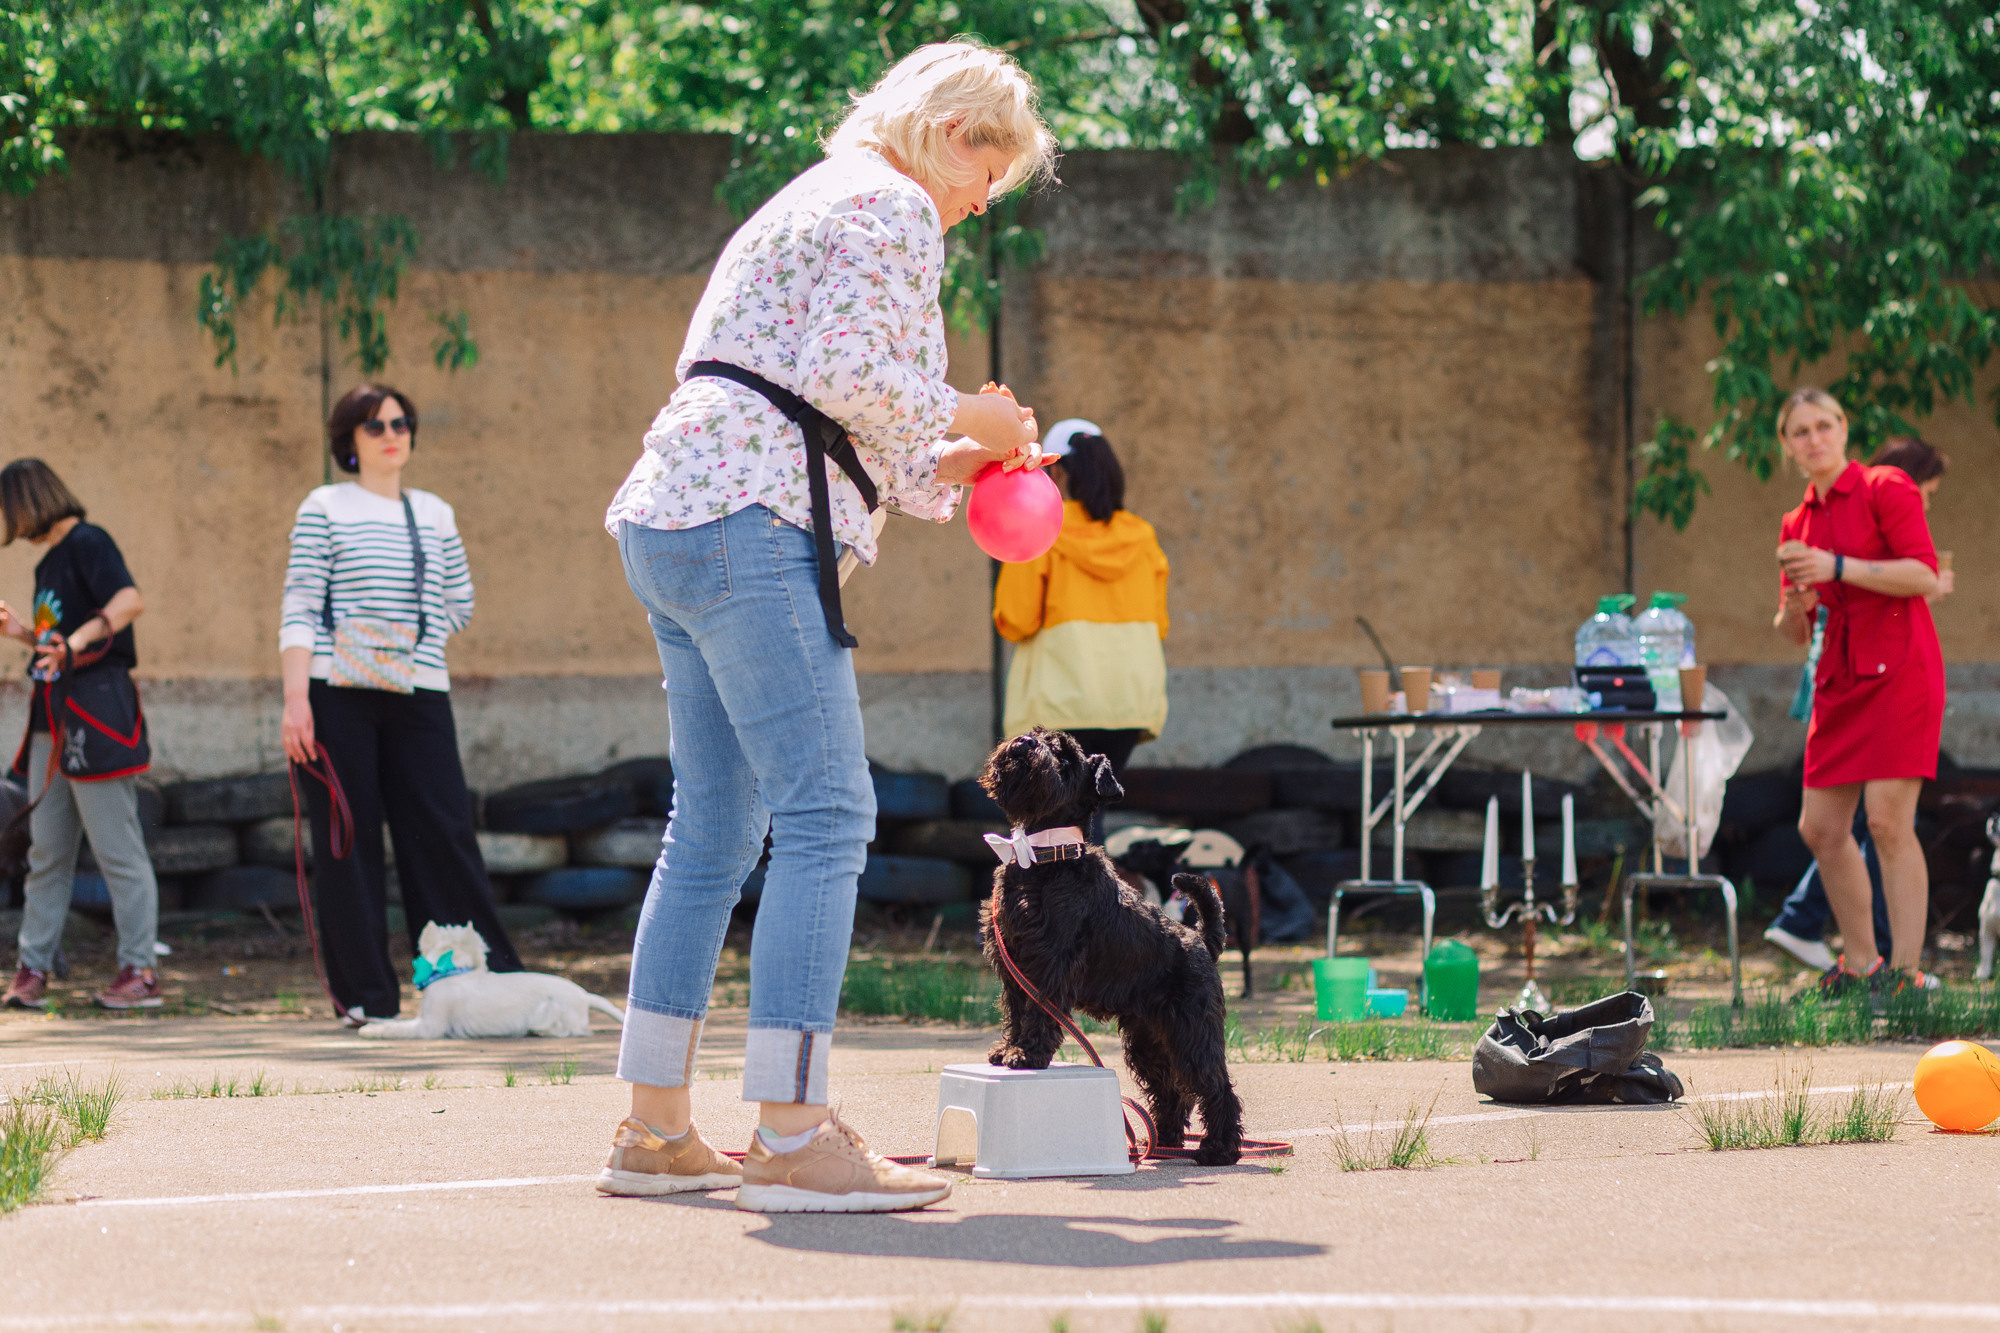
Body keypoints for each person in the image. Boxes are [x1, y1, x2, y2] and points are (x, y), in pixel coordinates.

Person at [596, 41, 1054, 1213]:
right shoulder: (891, 202)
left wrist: (968, 453)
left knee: (712, 827)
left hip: (677, 514)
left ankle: (652, 1129)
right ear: (956, 134)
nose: (973, 208)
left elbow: (853, 427)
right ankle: (793, 1135)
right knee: (828, 812)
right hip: (748, 521)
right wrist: (976, 405)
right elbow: (856, 376)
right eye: (983, 183)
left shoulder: (808, 200)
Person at [279, 384, 522, 1027]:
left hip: (419, 689)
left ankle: (474, 987)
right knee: (347, 841)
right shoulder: (324, 506)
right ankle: (367, 999)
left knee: (440, 833)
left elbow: (460, 601)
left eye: (401, 422)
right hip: (336, 693)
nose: (392, 433)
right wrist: (296, 702)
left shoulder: (434, 512)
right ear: (349, 441)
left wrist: (406, 638)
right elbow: (301, 606)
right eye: (374, 424)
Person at [1773, 392, 1945, 994]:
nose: (1813, 439)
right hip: (1839, 683)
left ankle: (1905, 976)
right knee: (1819, 827)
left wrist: (1836, 567)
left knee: (1888, 822)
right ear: (1788, 446)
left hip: (1900, 672)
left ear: (1844, 429)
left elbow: (1923, 574)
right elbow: (1797, 630)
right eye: (1800, 432)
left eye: (1824, 426)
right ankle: (1861, 963)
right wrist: (1798, 603)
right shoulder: (1796, 523)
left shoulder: (1885, 486)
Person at [0, 460, 159, 1010]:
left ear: (26, 501)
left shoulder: (91, 543)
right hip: (52, 716)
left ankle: (140, 970)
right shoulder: (49, 563)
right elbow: (58, 644)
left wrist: (74, 640)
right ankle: (33, 968)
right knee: (47, 850)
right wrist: (22, 632)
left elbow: (128, 602)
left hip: (94, 714)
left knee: (118, 849)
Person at [993, 418, 1170, 840]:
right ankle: (1096, 904)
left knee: (1050, 828)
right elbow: (1159, 624)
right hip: (1129, 703)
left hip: (1061, 703)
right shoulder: (1142, 536)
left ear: (1056, 473)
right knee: (1091, 819)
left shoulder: (1044, 528)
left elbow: (1015, 620)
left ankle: (1060, 907)